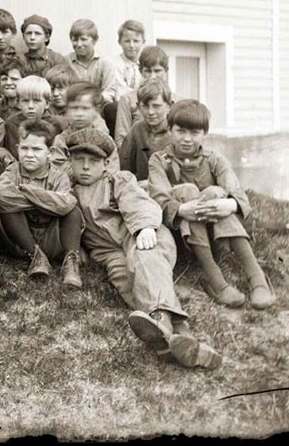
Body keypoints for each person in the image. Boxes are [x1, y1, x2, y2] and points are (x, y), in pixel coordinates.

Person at [66, 128, 222, 370]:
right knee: (128, 282)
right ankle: (180, 340)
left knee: (145, 259)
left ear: (106, 164)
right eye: (79, 160)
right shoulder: (67, 189)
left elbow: (135, 201)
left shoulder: (116, 180)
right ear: (70, 161)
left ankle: (160, 320)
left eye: (93, 161)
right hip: (110, 253)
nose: (85, 167)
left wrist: (145, 227)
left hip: (142, 235)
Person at [148, 100, 275, 310]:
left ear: (204, 134)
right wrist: (180, 209)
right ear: (169, 130)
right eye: (180, 131)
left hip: (217, 233)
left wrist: (229, 205)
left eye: (195, 132)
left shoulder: (214, 159)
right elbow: (158, 198)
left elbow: (237, 193)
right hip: (181, 234)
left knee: (216, 193)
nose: (187, 139)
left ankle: (257, 277)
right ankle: (214, 278)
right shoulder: (159, 160)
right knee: (188, 190)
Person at [0, 120, 83, 288]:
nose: (29, 154)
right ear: (17, 148)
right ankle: (36, 257)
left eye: (36, 149)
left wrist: (25, 191)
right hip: (22, 241)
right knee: (7, 209)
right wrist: (46, 201)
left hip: (52, 239)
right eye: (24, 148)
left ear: (49, 152)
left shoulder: (59, 176)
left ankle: (71, 262)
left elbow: (66, 203)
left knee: (74, 212)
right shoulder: (13, 171)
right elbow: (2, 195)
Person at [49, 83, 118, 172]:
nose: (79, 114)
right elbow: (57, 169)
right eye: (74, 108)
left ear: (97, 110)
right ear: (67, 110)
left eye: (85, 108)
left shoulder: (106, 141)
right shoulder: (61, 141)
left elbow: (113, 170)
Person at [114, 45, 170, 148]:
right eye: (148, 71)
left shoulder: (177, 100)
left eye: (157, 71)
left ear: (166, 70)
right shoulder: (127, 99)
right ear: (140, 71)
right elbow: (121, 139)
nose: (153, 76)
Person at [118, 79, 172, 181]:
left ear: (168, 106)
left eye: (156, 106)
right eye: (145, 106)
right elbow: (125, 167)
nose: (150, 112)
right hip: (141, 189)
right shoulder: (136, 130)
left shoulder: (176, 132)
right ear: (138, 106)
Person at [3, 75, 61, 161]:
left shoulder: (56, 124)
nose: (30, 106)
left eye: (36, 101)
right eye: (25, 101)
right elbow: (13, 154)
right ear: (18, 103)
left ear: (47, 103)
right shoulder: (12, 124)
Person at [106, 20, 146, 135]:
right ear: (120, 42)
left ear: (143, 42)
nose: (132, 45)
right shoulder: (115, 64)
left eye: (136, 41)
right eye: (127, 41)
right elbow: (121, 92)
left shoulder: (145, 63)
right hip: (124, 105)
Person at [66, 19, 119, 105]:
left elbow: (110, 91)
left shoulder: (105, 62)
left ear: (94, 40)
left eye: (83, 39)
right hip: (73, 105)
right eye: (75, 40)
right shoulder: (66, 61)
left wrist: (94, 99)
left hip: (98, 105)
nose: (79, 44)